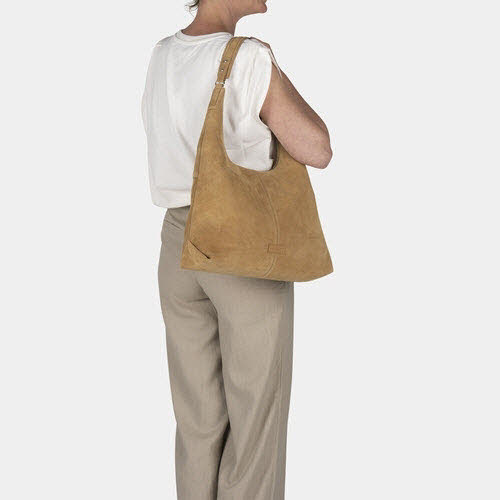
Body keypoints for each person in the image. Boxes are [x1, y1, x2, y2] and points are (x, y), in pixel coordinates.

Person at [141, 0, 333, 498]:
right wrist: (273, 73)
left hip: (177, 245)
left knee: (198, 422)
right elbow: (317, 148)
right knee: (256, 425)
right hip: (239, 248)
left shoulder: (162, 53)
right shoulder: (246, 56)